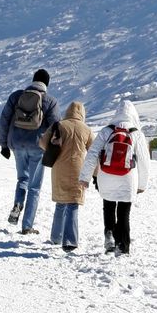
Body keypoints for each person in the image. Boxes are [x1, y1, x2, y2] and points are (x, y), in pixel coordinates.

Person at [0, 69, 61, 235]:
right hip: (37, 147)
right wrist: (55, 151)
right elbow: (56, 128)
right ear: (46, 84)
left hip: (17, 144)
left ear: (33, 80)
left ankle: (18, 204)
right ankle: (27, 226)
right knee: (34, 187)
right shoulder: (50, 101)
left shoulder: (16, 96)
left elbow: (4, 120)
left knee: (22, 179)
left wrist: (3, 145)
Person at [81, 100, 149, 255]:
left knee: (109, 206)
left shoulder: (106, 131)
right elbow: (144, 161)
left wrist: (85, 177)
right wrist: (142, 185)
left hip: (106, 176)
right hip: (127, 178)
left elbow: (92, 154)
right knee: (124, 212)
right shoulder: (136, 133)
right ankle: (123, 246)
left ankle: (109, 235)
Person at [40, 100, 94, 252]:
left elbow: (42, 143)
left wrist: (55, 150)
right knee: (73, 204)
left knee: (60, 202)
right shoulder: (86, 129)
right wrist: (95, 173)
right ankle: (69, 241)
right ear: (82, 113)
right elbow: (94, 151)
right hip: (78, 169)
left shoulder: (59, 125)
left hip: (58, 168)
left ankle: (56, 237)